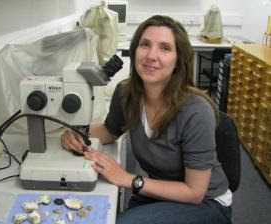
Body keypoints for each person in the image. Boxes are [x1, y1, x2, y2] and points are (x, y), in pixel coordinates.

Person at [61, 15, 232, 224]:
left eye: (165, 48)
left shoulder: (196, 111)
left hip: (205, 202)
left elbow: (194, 192)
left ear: (178, 60)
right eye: (145, 44)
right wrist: (75, 132)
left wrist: (126, 178)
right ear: (134, 51)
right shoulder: (126, 93)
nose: (151, 55)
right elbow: (109, 131)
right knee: (97, 214)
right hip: (158, 189)